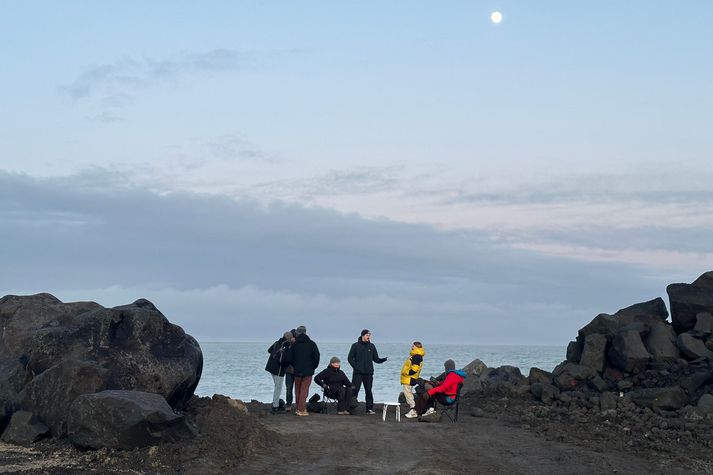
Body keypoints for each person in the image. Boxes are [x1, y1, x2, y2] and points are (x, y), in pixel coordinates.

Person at [347, 329, 387, 415]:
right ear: (362, 336)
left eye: (369, 335)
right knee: (355, 390)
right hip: (358, 373)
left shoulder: (372, 346)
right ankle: (351, 408)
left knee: (368, 391)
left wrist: (382, 360)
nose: (368, 337)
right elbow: (350, 358)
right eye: (367, 335)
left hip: (368, 373)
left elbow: (375, 359)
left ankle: (369, 409)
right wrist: (356, 367)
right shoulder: (355, 345)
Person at [286, 325, 320, 416]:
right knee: (304, 390)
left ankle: (298, 408)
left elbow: (289, 358)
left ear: (297, 333)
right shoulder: (312, 344)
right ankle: (301, 409)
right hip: (308, 370)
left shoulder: (294, 344)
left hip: (297, 370)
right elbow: (316, 357)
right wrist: (313, 367)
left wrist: (295, 365)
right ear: (305, 332)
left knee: (298, 390)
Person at [265, 331, 293, 414]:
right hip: (279, 370)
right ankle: (275, 406)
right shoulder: (286, 346)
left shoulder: (277, 342)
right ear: (289, 338)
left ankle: (276, 403)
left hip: (270, 367)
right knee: (278, 388)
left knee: (277, 387)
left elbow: (269, 350)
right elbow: (284, 360)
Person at [400, 341, 425, 418]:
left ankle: (413, 410)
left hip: (409, 378)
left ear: (416, 347)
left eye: (413, 346)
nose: (412, 347)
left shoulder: (417, 356)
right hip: (410, 378)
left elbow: (415, 369)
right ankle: (414, 409)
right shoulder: (416, 355)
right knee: (409, 393)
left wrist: (406, 373)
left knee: (408, 394)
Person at [283, 329, 297, 412]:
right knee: (289, 388)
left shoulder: (290, 346)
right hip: (290, 370)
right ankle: (289, 404)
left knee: (290, 388)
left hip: (291, 370)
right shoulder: (287, 345)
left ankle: (289, 404)